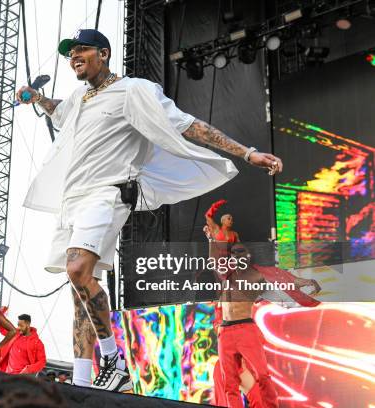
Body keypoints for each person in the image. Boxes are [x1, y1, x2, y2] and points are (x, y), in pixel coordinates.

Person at [16, 28, 283, 392]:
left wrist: (246, 152)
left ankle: (112, 359)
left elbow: (189, 126)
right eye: (70, 53)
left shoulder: (134, 90)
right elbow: (60, 114)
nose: (74, 57)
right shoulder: (80, 97)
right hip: (72, 200)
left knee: (78, 269)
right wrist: (39, 99)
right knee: (78, 287)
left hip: (107, 193)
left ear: (105, 54)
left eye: (82, 50)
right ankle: (79, 383)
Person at [209, 243, 321, 408]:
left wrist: (306, 282)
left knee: (261, 377)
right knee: (230, 383)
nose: (237, 255)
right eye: (234, 253)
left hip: (244, 328)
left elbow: (284, 282)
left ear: (248, 256)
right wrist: (211, 238)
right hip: (226, 332)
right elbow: (214, 260)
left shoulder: (256, 277)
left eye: (241, 252)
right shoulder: (226, 276)